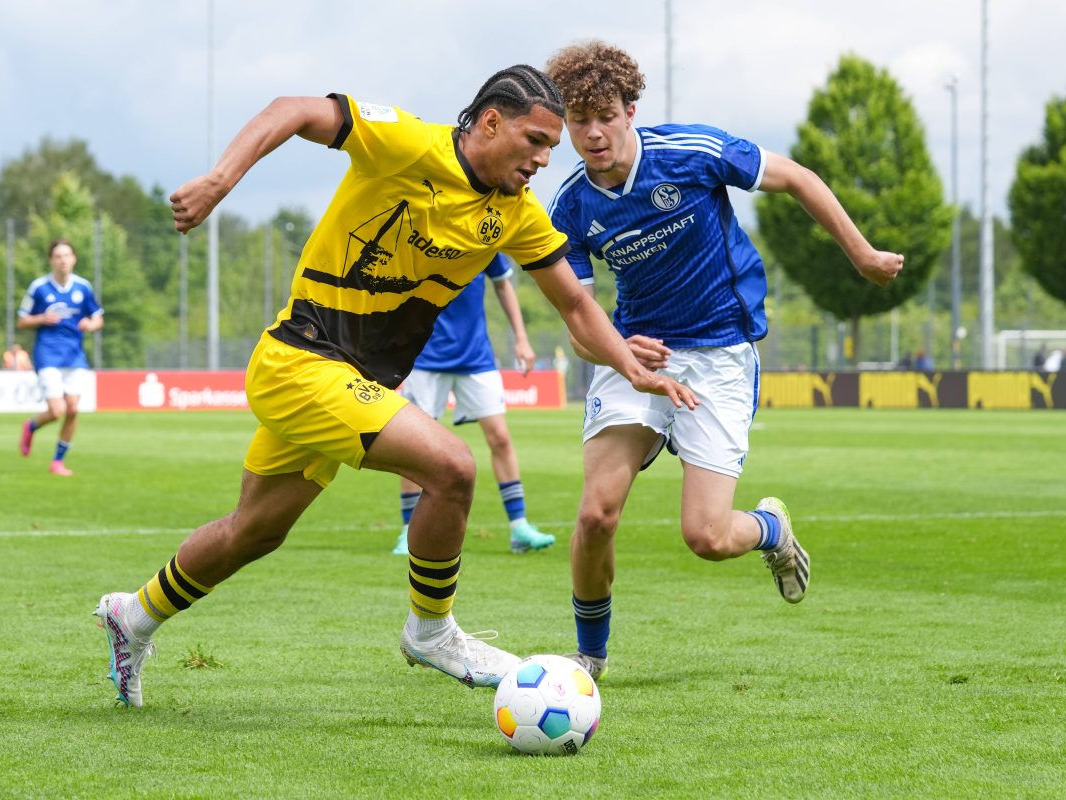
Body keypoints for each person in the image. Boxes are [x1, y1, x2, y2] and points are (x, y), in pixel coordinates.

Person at [93, 65, 696, 708]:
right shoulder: (406, 144)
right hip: (301, 362)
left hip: (350, 380)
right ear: (491, 123)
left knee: (255, 531)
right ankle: (431, 630)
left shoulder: (515, 214)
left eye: (551, 147)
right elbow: (293, 109)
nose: (547, 159)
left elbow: (575, 306)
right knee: (452, 467)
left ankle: (133, 617)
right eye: (536, 141)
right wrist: (220, 179)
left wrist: (629, 366)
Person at [544, 41, 904, 679]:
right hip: (636, 357)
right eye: (577, 119)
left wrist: (863, 254)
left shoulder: (691, 152)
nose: (592, 132)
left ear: (631, 109)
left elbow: (795, 177)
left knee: (707, 538)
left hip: (718, 355)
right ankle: (588, 659)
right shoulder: (570, 206)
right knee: (597, 513)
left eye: (605, 114)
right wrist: (616, 348)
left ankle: (769, 527)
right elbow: (579, 321)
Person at [392, 253, 556, 557]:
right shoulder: (424, 238)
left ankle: (519, 528)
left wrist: (521, 337)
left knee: (500, 438)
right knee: (415, 444)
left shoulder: (486, 239)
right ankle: (407, 531)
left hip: (476, 357)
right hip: (427, 357)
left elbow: (504, 285)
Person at [16, 240, 104, 476]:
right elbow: (22, 320)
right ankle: (31, 426)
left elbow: (98, 317)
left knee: (73, 409)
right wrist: (41, 318)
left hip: (74, 355)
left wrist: (90, 324)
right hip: (48, 355)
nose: (63, 260)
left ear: (74, 259)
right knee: (56, 411)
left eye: (67, 255)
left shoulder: (83, 287)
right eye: (57, 256)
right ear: (51, 260)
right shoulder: (39, 287)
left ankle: (57, 462)